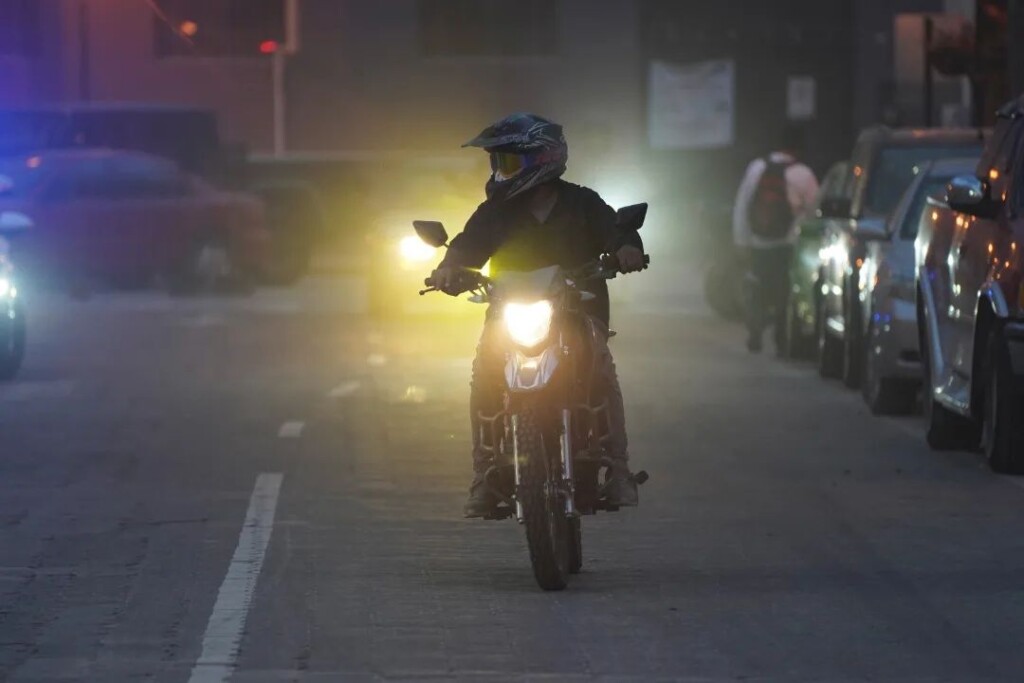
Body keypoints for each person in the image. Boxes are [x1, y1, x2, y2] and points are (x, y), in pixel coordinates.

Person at [429, 113, 646, 518]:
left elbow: (616, 230)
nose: (500, 172)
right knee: (484, 375)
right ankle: (486, 474)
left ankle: (617, 469)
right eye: (499, 163)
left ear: (543, 159)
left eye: (510, 162)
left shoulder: (583, 202)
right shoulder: (494, 212)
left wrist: (627, 248)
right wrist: (448, 269)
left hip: (578, 310)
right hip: (508, 313)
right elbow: (465, 246)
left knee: (601, 370)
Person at [732, 126, 819, 353]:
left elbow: (742, 204)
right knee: (785, 290)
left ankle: (755, 327)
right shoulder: (803, 174)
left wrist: (741, 240)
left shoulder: (757, 168)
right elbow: (815, 212)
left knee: (758, 285)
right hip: (789, 246)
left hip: (759, 242)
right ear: (798, 148)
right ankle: (782, 337)